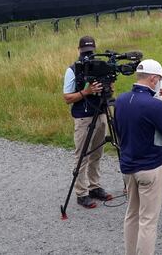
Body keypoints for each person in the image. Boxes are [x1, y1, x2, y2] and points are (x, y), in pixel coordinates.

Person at [115, 59, 162, 255]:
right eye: (158, 80)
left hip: (128, 165)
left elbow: (119, 130)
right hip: (150, 166)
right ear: (153, 79)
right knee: (148, 221)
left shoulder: (121, 99)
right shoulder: (155, 105)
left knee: (132, 215)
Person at [62, 35, 114, 209]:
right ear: (79, 50)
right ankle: (81, 193)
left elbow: (109, 91)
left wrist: (108, 88)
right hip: (83, 118)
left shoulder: (101, 67)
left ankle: (94, 187)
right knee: (82, 155)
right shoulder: (72, 70)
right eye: (85, 52)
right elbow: (67, 98)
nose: (87, 55)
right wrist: (87, 91)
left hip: (101, 114)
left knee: (97, 153)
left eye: (90, 52)